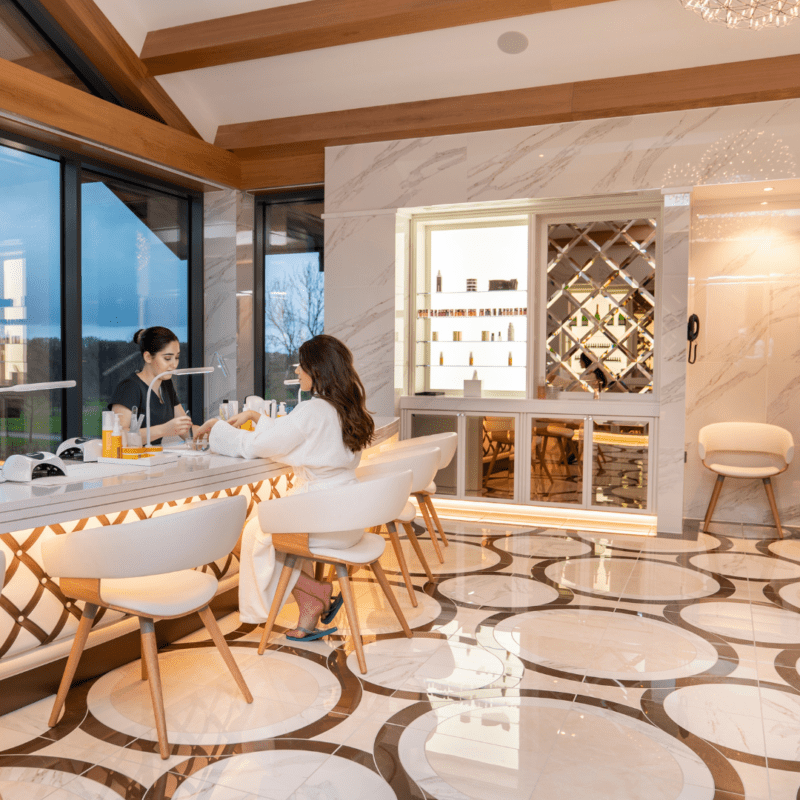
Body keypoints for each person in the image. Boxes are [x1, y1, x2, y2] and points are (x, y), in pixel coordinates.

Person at [195, 334, 375, 641]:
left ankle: (316, 591)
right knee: (263, 535)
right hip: (349, 518)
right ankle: (310, 602)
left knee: (248, 535)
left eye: (301, 366)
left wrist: (217, 428)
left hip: (321, 516)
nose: (296, 372)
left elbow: (257, 446)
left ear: (316, 370)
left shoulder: (314, 410)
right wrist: (255, 416)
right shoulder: (348, 407)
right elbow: (292, 436)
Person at [109, 326, 193, 445]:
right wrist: (163, 430)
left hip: (155, 458)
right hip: (132, 461)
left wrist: (213, 428)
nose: (174, 364)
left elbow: (187, 431)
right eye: (167, 358)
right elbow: (119, 436)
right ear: (148, 357)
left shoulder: (166, 385)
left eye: (177, 357)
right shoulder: (129, 387)